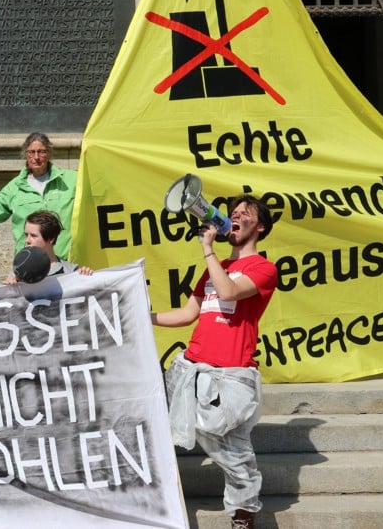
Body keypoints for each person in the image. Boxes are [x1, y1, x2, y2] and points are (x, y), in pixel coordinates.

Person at [151, 195, 277, 529]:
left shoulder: (264, 269)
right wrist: (143, 316)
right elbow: (187, 314)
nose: (235, 217)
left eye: (244, 214)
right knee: (148, 422)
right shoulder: (215, 267)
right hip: (189, 367)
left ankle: (243, 514)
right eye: (232, 213)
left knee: (234, 451)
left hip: (229, 376)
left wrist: (208, 250)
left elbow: (229, 293)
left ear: (260, 227)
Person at [0, 131, 77, 257]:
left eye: (42, 151)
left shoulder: (71, 180)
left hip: (66, 261)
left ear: (49, 154)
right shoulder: (15, 187)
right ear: (25, 155)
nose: (36, 157)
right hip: (29, 262)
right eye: (31, 152)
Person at [4, 210, 92, 283]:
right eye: (26, 235)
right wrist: (10, 289)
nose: (27, 240)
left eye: (33, 236)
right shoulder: (18, 272)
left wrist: (87, 277)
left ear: (51, 239)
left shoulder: (70, 271)